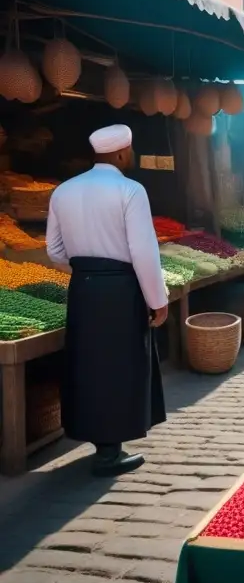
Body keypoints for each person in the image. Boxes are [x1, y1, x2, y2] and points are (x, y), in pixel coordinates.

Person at [45, 125, 167, 476]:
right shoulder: (130, 190)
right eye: (129, 151)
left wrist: (86, 267)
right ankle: (110, 453)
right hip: (120, 290)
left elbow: (53, 249)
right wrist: (157, 300)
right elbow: (143, 251)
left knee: (88, 364)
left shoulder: (63, 191)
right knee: (120, 365)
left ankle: (101, 443)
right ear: (119, 154)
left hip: (83, 288)